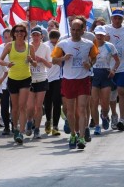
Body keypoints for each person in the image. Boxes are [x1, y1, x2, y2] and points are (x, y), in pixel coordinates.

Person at [51, 19, 99, 150]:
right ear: (70, 29)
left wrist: (90, 64)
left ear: (83, 30)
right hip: (68, 80)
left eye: (78, 29)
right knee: (70, 111)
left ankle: (82, 137)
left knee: (82, 109)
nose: (75, 32)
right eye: (73, 29)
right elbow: (53, 60)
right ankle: (73, 134)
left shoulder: (89, 44)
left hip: (83, 79)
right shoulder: (63, 44)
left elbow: (95, 57)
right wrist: (63, 58)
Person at [0, 24, 37, 145]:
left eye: (22, 31)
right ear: (14, 33)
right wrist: (7, 64)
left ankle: (21, 131)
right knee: (14, 107)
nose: (19, 33)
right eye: (17, 31)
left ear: (25, 33)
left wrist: (31, 60)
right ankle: (15, 128)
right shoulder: (9, 45)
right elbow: (0, 60)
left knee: (22, 106)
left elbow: (35, 64)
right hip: (12, 79)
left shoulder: (30, 46)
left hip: (26, 78)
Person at [105, 9, 124, 131]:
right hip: (109, 66)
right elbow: (97, 43)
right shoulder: (106, 29)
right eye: (115, 18)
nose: (117, 20)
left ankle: (122, 119)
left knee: (121, 91)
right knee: (112, 94)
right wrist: (104, 40)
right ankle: (114, 115)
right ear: (111, 18)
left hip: (122, 66)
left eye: (119, 18)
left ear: (123, 19)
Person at [90, 25, 120, 135]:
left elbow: (117, 61)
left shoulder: (110, 46)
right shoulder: (90, 46)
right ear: (95, 35)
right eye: (97, 34)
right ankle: (97, 126)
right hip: (94, 74)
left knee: (105, 104)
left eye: (101, 35)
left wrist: (113, 70)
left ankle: (104, 115)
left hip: (106, 74)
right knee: (94, 102)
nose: (99, 36)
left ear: (104, 35)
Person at [26, 27, 52, 139]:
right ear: (31, 36)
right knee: (30, 106)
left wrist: (41, 60)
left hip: (42, 78)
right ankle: (29, 121)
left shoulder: (45, 47)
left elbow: (50, 65)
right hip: (30, 79)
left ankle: (37, 129)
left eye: (38, 35)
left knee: (38, 106)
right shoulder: (27, 47)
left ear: (41, 36)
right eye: (34, 35)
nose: (36, 37)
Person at [44, 30, 62, 136]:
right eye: (53, 42)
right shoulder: (45, 46)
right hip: (46, 77)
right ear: (50, 39)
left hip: (57, 77)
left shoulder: (62, 46)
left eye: (56, 41)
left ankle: (55, 126)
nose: (54, 43)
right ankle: (48, 121)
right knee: (47, 102)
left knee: (57, 102)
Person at [0, 28, 13, 135]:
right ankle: (6, 126)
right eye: (5, 37)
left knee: (15, 105)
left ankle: (15, 125)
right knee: (4, 105)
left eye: (9, 36)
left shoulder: (17, 47)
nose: (7, 39)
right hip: (2, 81)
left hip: (15, 79)